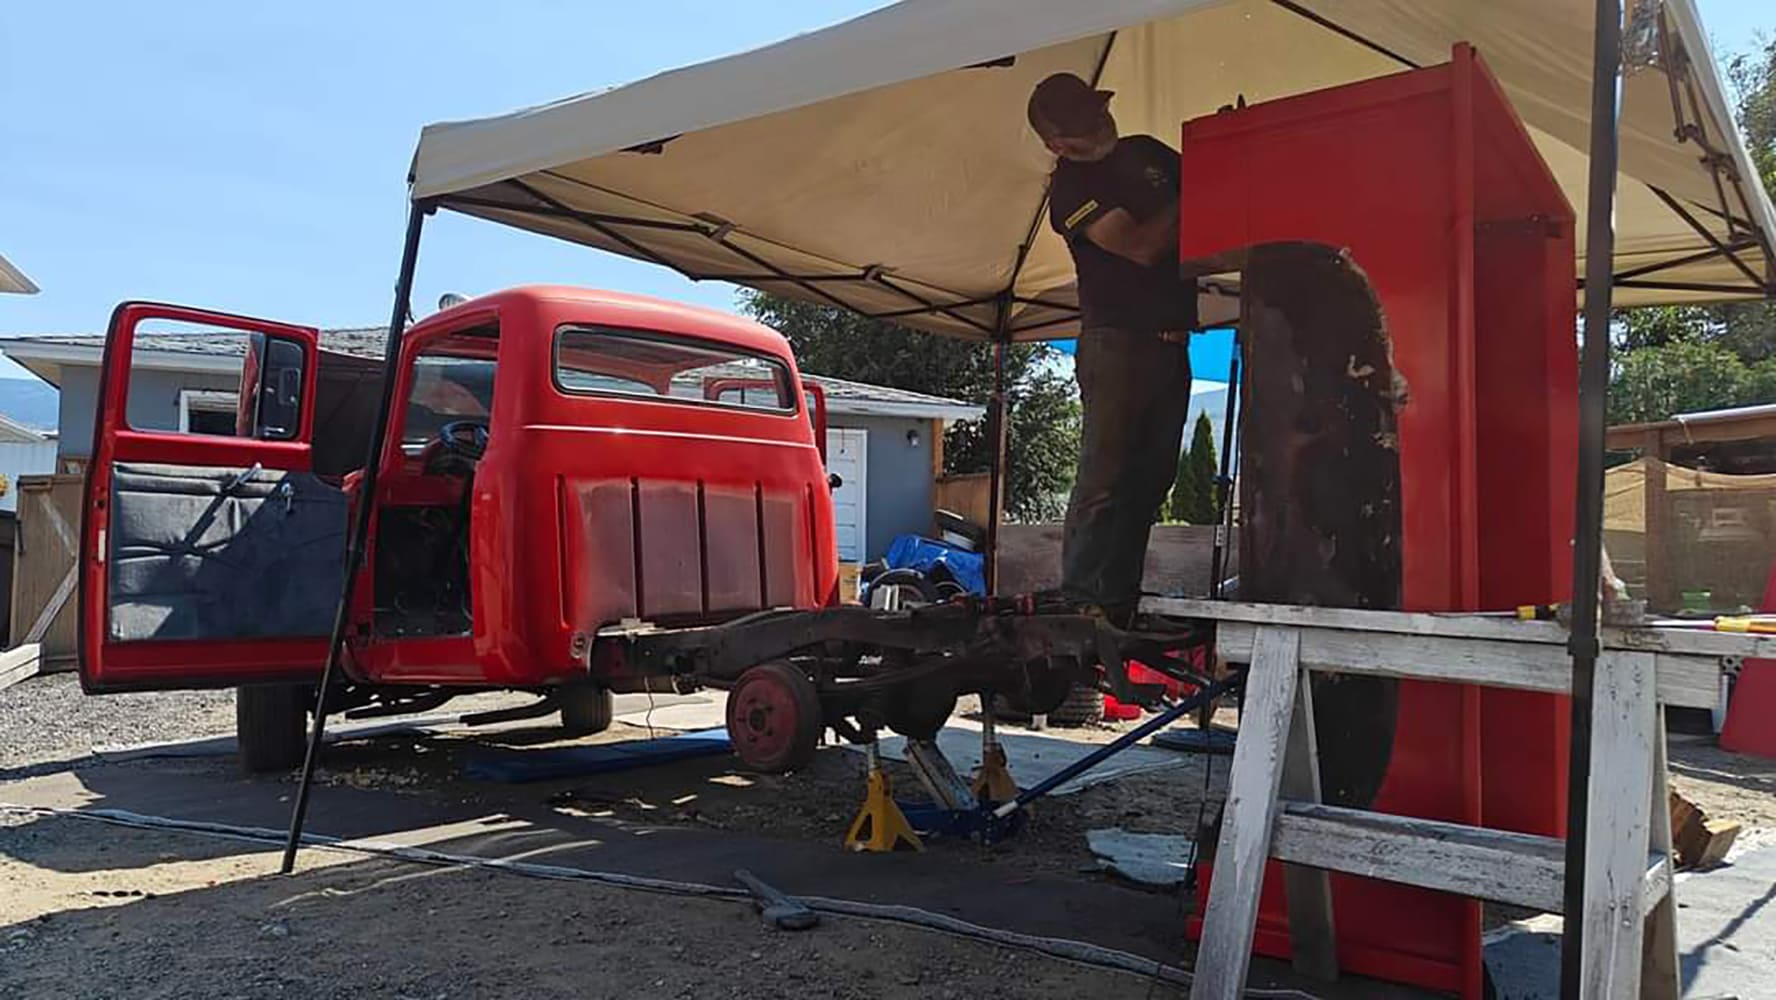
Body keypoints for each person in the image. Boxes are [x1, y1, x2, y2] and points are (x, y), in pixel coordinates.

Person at [1028, 72, 1199, 621]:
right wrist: (1200, 189)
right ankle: (1082, 600)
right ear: (1057, 145)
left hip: (1170, 343)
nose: (1099, 126)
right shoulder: (1070, 190)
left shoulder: (1147, 151)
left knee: (1152, 479)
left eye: (1097, 113)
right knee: (1106, 476)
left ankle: (1117, 600)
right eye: (1082, 127)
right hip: (1116, 344)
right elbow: (1144, 247)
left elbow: (1220, 186)